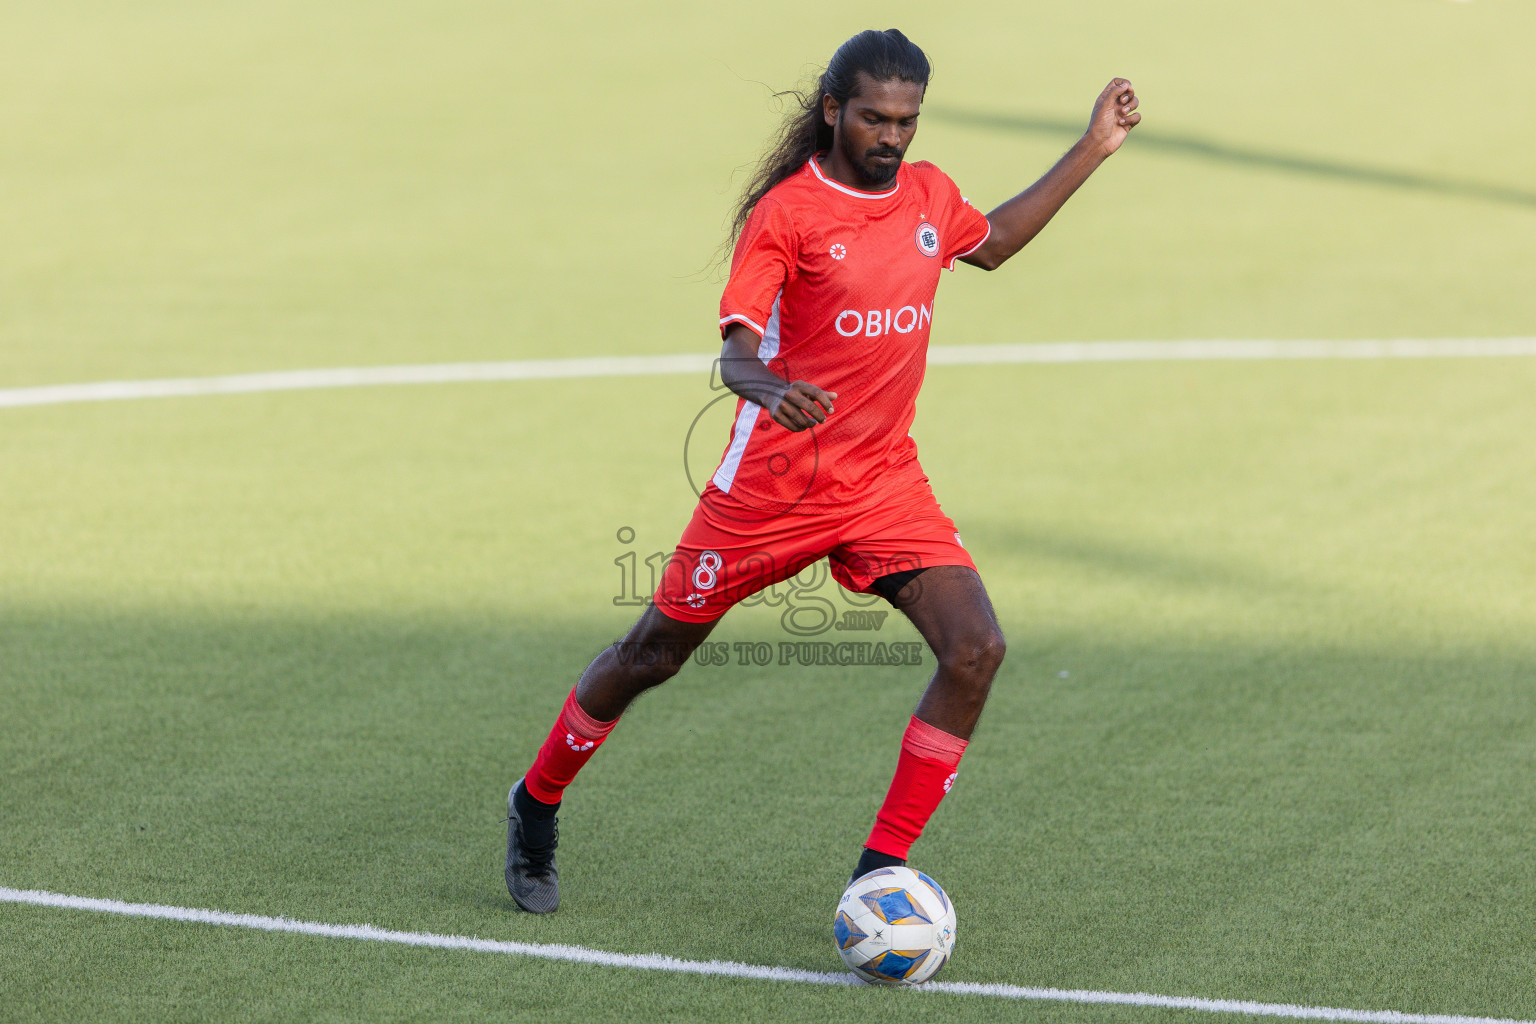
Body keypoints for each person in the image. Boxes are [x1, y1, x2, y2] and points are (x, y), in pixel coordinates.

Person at [505, 28, 1139, 913]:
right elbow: (735, 353)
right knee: (651, 654)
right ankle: (535, 803)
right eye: (875, 119)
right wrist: (769, 385)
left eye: (907, 121)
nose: (892, 137)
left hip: (882, 482)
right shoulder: (789, 215)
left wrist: (1093, 148)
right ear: (834, 111)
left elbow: (991, 243)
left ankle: (880, 871)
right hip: (770, 490)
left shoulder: (927, 195)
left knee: (977, 649)